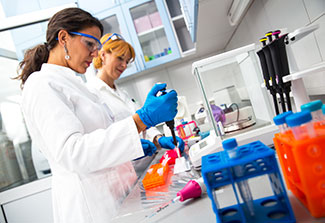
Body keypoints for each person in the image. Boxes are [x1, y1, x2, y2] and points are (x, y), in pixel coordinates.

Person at [15, 8, 178, 223]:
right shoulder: (41, 84)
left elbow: (100, 138)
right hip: (92, 207)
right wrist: (140, 121)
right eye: (89, 44)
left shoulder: (75, 84)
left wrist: (133, 149)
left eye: (97, 46)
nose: (95, 53)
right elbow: (73, 152)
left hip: (119, 197)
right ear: (63, 38)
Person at [87, 33, 185, 160]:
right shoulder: (92, 94)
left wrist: (158, 139)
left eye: (127, 61)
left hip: (143, 167)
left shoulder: (123, 94)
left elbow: (142, 126)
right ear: (103, 55)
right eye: (120, 58)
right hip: (123, 168)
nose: (124, 65)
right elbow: (103, 142)